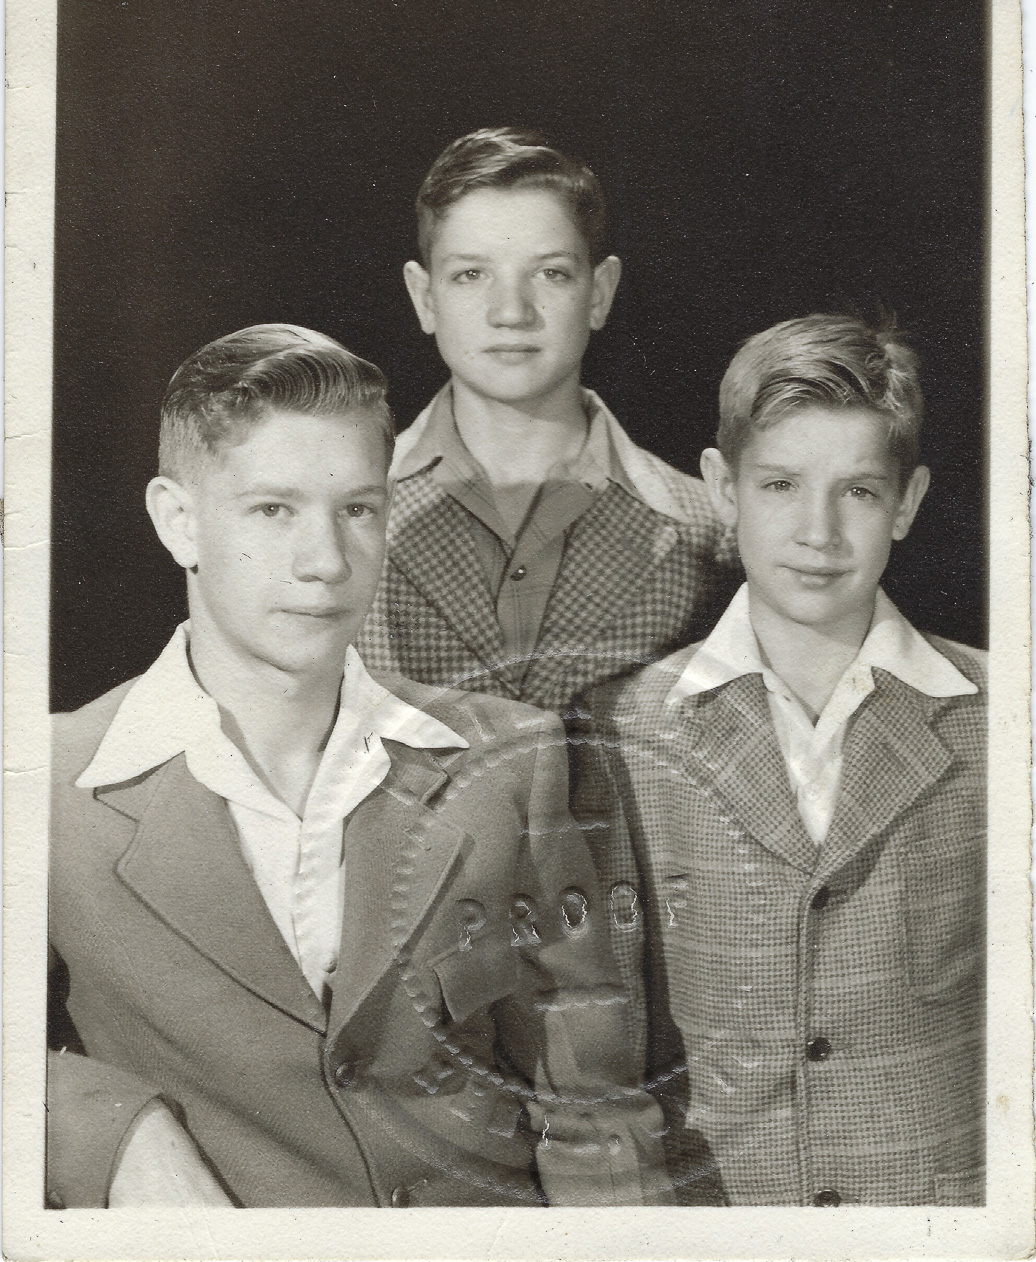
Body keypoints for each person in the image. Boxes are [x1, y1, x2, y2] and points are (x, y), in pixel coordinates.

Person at [47, 323, 673, 1209]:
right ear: (177, 520)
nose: (326, 562)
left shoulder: (510, 762)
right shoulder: (48, 784)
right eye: (274, 510)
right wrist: (114, 1132)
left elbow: (593, 1105)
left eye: (358, 510)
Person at [571, 315, 986, 1206]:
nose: (818, 531)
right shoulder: (621, 732)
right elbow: (594, 1045)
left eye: (860, 493)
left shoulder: (1001, 716)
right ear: (722, 488)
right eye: (781, 484)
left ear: (908, 501)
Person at [357, 127, 737, 714]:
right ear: (424, 297)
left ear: (599, 293)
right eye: (471, 274)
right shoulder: (352, 513)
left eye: (550, 273)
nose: (511, 312)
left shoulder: (707, 532)